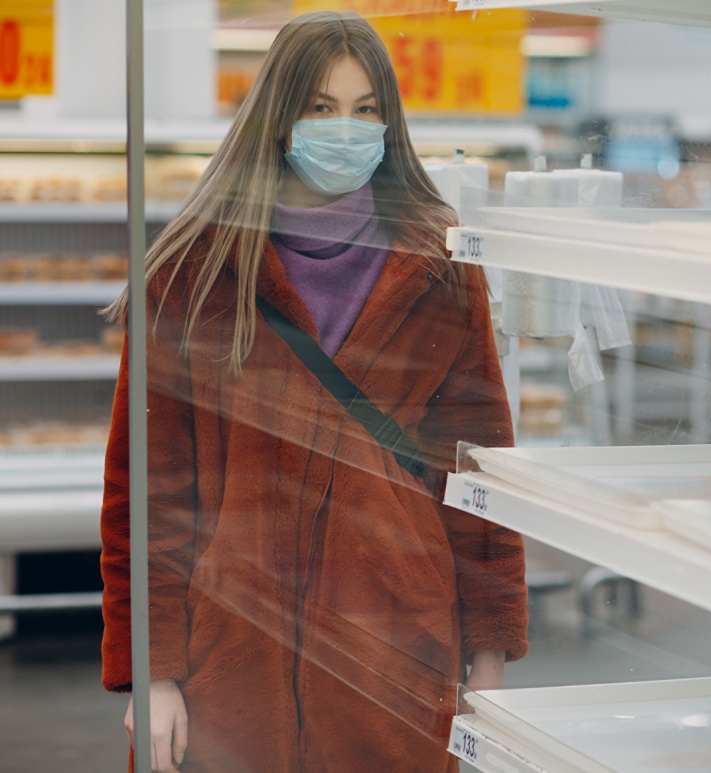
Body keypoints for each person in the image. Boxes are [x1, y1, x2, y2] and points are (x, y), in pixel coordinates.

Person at [99, 11, 527, 772]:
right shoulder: (191, 272)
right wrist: (152, 668)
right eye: (321, 108)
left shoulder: (439, 263)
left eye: (367, 111)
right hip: (229, 655)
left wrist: (489, 653)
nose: (346, 130)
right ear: (278, 116)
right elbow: (148, 491)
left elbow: (478, 470)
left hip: (398, 648)